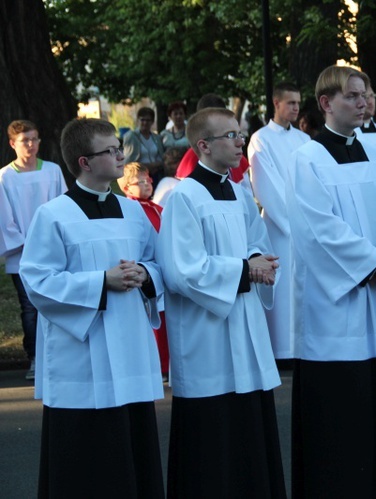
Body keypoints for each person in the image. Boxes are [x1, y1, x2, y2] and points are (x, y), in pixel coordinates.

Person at [286, 65, 376, 498]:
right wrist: (371, 264)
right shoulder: (307, 157)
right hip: (339, 305)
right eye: (353, 96)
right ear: (326, 103)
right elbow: (317, 228)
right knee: (344, 415)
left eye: (365, 95)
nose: (363, 103)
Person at [20, 118, 164, 497]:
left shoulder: (133, 212)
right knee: (87, 462)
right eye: (111, 150)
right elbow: (38, 281)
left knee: (133, 449)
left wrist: (144, 274)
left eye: (119, 147)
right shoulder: (53, 215)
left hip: (130, 345)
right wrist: (102, 282)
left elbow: (157, 262)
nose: (121, 155)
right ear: (85, 162)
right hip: (82, 355)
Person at [156, 107, 285, 497]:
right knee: (213, 439)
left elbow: (257, 243)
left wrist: (261, 263)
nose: (239, 141)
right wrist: (246, 270)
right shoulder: (185, 198)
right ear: (203, 146)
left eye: (239, 133)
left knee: (249, 429)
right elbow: (182, 270)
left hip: (244, 327)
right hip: (207, 337)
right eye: (230, 135)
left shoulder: (240, 192)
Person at [0, 120, 67, 380]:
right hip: (22, 253)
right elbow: (4, 219)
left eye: (35, 139)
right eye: (25, 140)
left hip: (51, 250)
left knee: (54, 302)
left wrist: (51, 240)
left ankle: (57, 355)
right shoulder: (5, 176)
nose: (31, 144)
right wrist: (24, 242)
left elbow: (61, 206)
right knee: (29, 307)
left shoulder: (52, 171)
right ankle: (35, 358)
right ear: (12, 144)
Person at [248, 82, 310, 361]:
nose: (296, 108)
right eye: (291, 103)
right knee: (281, 284)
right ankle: (281, 349)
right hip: (278, 224)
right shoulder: (260, 139)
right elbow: (265, 184)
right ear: (276, 103)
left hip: (306, 222)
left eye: (298, 103)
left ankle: (303, 344)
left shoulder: (304, 140)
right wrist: (292, 221)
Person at [117, 162, 170, 379]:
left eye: (148, 179)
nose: (147, 184)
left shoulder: (157, 208)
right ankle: (156, 366)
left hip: (161, 272)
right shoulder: (129, 211)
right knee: (152, 324)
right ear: (126, 188)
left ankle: (166, 364)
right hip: (144, 273)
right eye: (140, 181)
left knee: (165, 322)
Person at [174, 93, 250, 185]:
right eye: (229, 135)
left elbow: (246, 193)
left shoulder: (236, 158)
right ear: (204, 146)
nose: (241, 143)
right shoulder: (188, 169)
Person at [123, 107, 166, 185]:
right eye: (142, 120)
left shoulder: (157, 138)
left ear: (152, 122)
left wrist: (157, 165)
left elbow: (162, 157)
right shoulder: (131, 136)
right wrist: (147, 166)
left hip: (156, 175)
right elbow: (128, 161)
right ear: (138, 121)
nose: (145, 122)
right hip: (138, 177)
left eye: (148, 120)